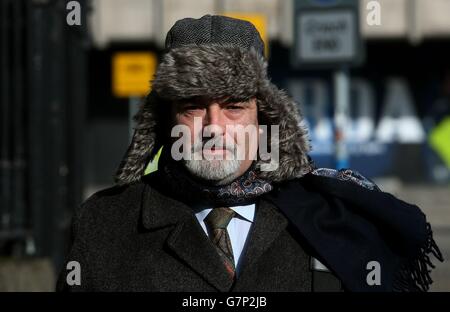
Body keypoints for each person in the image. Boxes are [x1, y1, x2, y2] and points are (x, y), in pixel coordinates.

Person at [57, 15, 443, 292]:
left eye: (234, 106)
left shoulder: (332, 218)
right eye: (193, 106)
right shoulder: (105, 223)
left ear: (264, 117)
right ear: (164, 120)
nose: (214, 127)